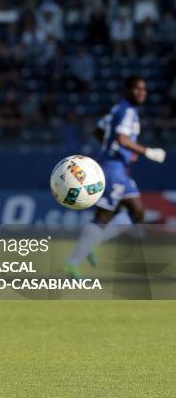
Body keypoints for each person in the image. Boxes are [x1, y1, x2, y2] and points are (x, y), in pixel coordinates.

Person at [64, 76, 165, 278]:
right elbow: (121, 138)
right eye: (137, 89)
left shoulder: (118, 109)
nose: (141, 93)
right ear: (127, 90)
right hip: (111, 169)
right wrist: (147, 151)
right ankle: (72, 263)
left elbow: (99, 130)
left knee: (137, 212)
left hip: (117, 167)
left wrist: (124, 151)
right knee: (103, 217)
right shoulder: (126, 110)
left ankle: (92, 242)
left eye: (144, 89)